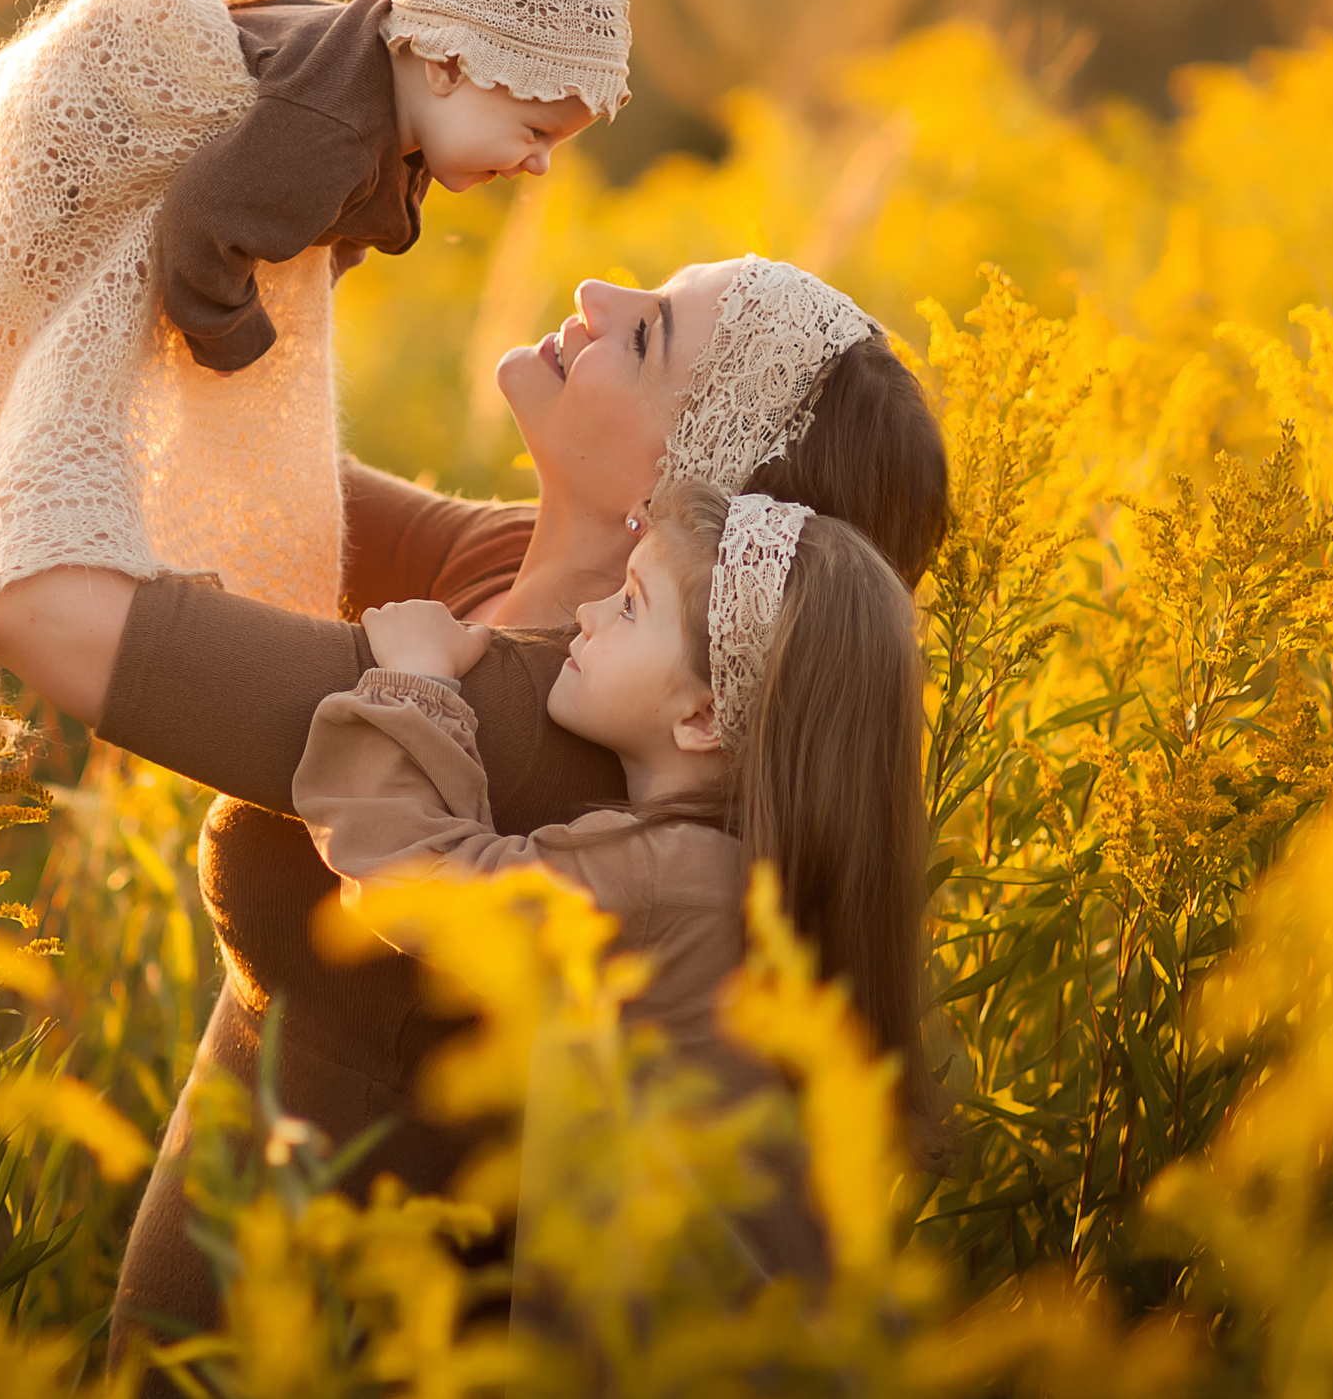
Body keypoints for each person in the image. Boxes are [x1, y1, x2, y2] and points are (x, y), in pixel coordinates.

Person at [0, 255, 949, 1348]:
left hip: (307, 1348)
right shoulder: (517, 566)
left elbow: (33, 608)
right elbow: (218, 455)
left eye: (646, 336)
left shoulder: (520, 721)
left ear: (683, 491)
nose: (595, 295)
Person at [0, 0, 631, 694]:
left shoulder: (376, 88)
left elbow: (319, 224)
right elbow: (201, 232)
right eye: (534, 130)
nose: (540, 164)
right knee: (2, 421)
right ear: (445, 65)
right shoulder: (330, 128)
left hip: (46, 132)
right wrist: (239, 349)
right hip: (61, 167)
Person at [291, 476, 935, 1284]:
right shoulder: (747, 874)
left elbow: (430, 888)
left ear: (702, 718)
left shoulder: (673, 876)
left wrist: (419, 679)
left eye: (630, 604)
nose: (588, 612)